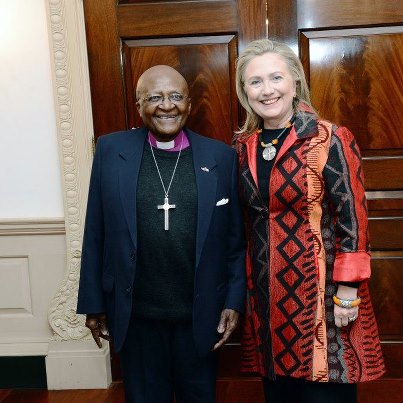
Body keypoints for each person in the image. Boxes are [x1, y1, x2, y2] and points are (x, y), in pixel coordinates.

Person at [77, 65, 246, 403]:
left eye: (175, 96)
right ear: (139, 106)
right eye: (154, 97)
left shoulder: (221, 156)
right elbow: (95, 231)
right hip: (136, 314)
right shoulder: (111, 151)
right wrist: (93, 303)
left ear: (189, 103)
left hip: (199, 313)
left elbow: (234, 241)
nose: (166, 105)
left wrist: (232, 300)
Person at [234, 39, 385, 403]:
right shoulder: (243, 147)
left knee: (324, 391)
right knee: (280, 393)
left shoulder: (329, 138)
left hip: (324, 297)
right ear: (244, 91)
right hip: (268, 298)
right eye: (255, 82)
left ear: (295, 82)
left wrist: (348, 291)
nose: (267, 90)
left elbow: (353, 217)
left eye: (276, 78)